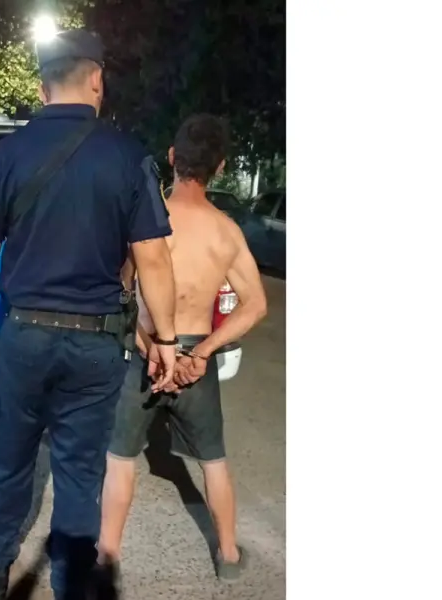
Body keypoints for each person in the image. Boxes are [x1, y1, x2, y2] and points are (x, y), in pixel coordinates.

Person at [0, 29, 179, 600]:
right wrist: (166, 340)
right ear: (97, 80)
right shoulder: (130, 158)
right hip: (96, 346)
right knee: (81, 475)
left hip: (24, 337)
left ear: (42, 89)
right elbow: (154, 260)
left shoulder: (6, 157)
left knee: (9, 459)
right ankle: (71, 585)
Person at [97, 114, 269, 581]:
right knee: (213, 460)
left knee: (120, 460)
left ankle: (107, 558)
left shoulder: (145, 220)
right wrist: (202, 352)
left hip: (145, 353)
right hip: (195, 358)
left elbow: (120, 294)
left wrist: (148, 344)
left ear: (172, 158)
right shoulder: (226, 232)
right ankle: (228, 555)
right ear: (221, 166)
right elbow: (255, 305)